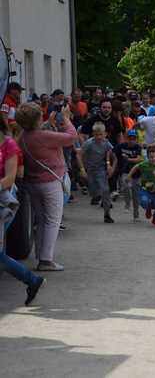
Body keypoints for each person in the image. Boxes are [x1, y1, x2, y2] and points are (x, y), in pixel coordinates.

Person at [17, 102, 77, 271]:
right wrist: (66, 119)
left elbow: (39, 135)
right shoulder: (42, 136)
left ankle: (41, 255)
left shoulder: (23, 136)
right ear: (36, 119)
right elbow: (71, 137)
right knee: (53, 220)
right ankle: (46, 260)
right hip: (50, 182)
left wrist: (47, 123)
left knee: (42, 220)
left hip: (32, 183)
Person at [0, 114, 46, 305]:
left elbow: (10, 179)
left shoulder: (9, 145)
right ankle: (32, 281)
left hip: (3, 203)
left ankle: (32, 280)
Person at [78, 122, 117, 223]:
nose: (99, 137)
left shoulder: (106, 143)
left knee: (105, 190)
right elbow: (79, 155)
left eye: (101, 134)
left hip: (101, 170)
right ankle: (96, 196)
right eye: (96, 135)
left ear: (105, 134)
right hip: (90, 170)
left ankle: (107, 215)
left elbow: (115, 156)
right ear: (93, 134)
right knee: (94, 192)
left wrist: (112, 167)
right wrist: (82, 169)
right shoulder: (89, 143)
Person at [128, 145, 155, 227]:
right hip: (145, 190)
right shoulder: (144, 164)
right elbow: (136, 167)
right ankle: (148, 208)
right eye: (151, 157)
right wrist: (129, 176)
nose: (153, 159)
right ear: (148, 157)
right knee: (144, 202)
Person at [113, 129, 143, 220]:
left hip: (136, 173)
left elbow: (139, 159)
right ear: (126, 138)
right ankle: (127, 204)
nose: (131, 140)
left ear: (136, 139)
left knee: (136, 194)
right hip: (125, 171)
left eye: (133, 138)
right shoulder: (121, 146)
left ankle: (136, 214)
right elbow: (111, 151)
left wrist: (128, 159)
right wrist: (110, 161)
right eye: (130, 138)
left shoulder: (138, 147)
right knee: (125, 186)